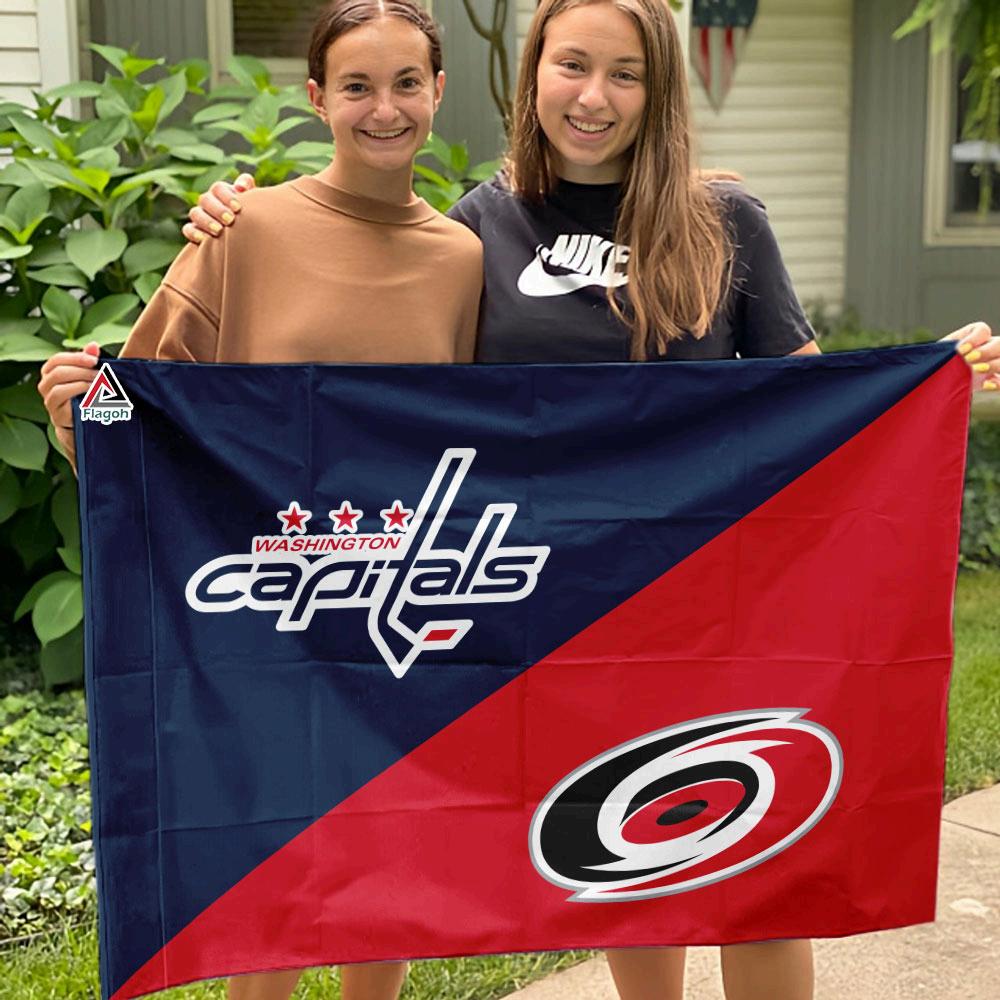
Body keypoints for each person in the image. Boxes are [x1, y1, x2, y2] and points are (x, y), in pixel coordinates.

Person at [57, 1, 1000, 999]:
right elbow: (413, 405)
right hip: (565, 607)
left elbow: (808, 409)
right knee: (630, 857)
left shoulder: (724, 220)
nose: (594, 96)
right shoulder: (479, 231)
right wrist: (231, 230)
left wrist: (917, 388)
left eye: (626, 73)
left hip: (716, 591)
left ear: (660, 89)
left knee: (755, 873)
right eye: (572, 65)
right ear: (532, 73)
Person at [37, 3, 481, 1000]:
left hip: (398, 604)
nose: (383, 109)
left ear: (439, 91)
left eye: (406, 84)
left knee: (386, 855)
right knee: (271, 863)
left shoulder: (462, 258)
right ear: (316, 97)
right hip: (265, 605)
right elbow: (143, 412)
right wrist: (76, 419)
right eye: (356, 86)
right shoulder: (247, 228)